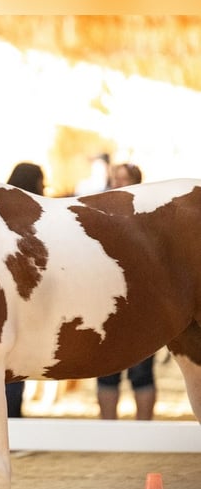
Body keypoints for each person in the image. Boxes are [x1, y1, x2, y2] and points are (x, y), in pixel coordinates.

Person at [96, 162, 156, 420]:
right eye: (115, 179)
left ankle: (144, 429)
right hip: (106, 303)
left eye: (123, 179)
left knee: (142, 371)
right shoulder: (98, 214)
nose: (117, 184)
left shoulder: (149, 216)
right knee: (105, 368)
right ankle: (107, 429)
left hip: (142, 304)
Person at [4, 162, 46, 417]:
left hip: (0, 299)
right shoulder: (34, 216)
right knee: (15, 366)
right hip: (22, 297)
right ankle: (14, 421)